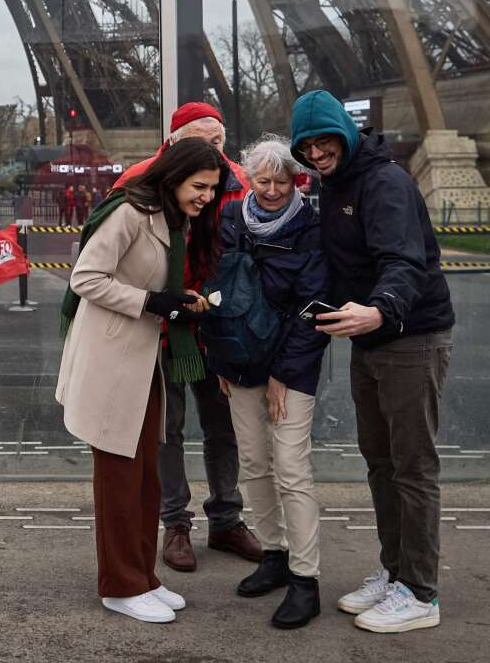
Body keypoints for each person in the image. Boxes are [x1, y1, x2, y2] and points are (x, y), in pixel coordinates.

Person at [290, 90, 454, 634]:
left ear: (346, 134)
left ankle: (421, 593)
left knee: (412, 467)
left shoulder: (384, 184)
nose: (315, 153)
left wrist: (379, 311)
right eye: (306, 146)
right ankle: (396, 572)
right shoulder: (335, 184)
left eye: (324, 141)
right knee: (381, 463)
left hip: (410, 336)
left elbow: (404, 263)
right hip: (371, 336)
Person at [57, 138, 228, 624]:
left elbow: (148, 282)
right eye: (200, 186)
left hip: (140, 361)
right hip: (113, 361)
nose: (207, 197)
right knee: (118, 480)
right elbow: (85, 278)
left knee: (145, 476)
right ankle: (119, 584)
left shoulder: (170, 217)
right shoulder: (130, 213)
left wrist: (174, 298)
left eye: (213, 188)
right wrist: (153, 302)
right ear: (174, 178)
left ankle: (143, 577)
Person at [114, 101, 260, 573]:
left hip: (219, 323)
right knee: (166, 428)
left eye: (217, 142)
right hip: (163, 322)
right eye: (200, 142)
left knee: (224, 426)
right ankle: (175, 521)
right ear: (175, 141)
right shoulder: (138, 181)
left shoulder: (239, 183)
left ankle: (225, 517)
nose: (211, 152)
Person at [205, 134, 330, 629]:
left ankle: (305, 578)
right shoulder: (231, 218)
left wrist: (284, 373)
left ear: (297, 180)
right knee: (254, 462)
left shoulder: (309, 227)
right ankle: (273, 553)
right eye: (264, 181)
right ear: (249, 180)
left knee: (292, 468)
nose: (273, 190)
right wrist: (219, 360)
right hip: (239, 361)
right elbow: (215, 288)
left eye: (283, 180)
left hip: (289, 365)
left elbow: (313, 305)